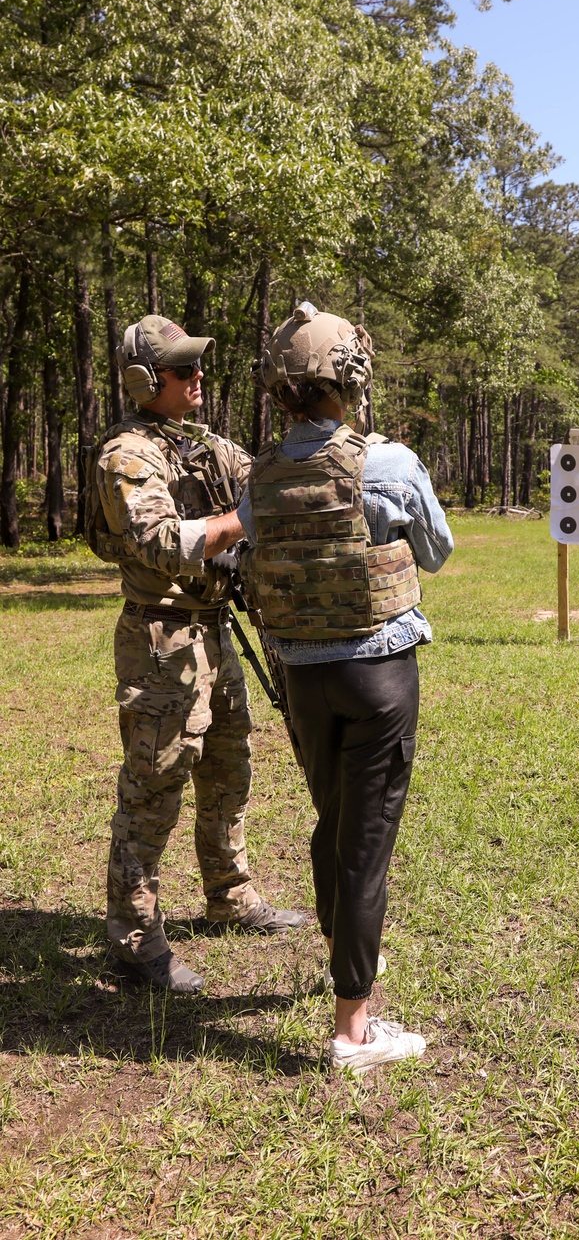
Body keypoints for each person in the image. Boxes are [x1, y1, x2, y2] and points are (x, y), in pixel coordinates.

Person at [238, 301, 453, 1071]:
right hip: (378, 674)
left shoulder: (259, 474)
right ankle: (355, 1030)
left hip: (302, 676)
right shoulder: (386, 461)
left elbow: (254, 547)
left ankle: (347, 952)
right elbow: (436, 550)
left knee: (334, 822)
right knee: (366, 845)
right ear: (352, 378)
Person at [89, 315, 307, 994]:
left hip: (212, 629)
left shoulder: (202, 444)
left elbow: (263, 473)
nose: (198, 377)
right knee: (154, 784)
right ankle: (133, 937)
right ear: (143, 381)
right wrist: (248, 518)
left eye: (197, 366)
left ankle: (230, 893)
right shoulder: (126, 455)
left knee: (228, 766)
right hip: (163, 640)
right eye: (184, 369)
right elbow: (159, 542)